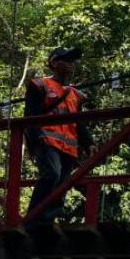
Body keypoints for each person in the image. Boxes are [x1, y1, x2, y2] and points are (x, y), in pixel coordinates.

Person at [23, 47, 92, 224]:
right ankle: (33, 218)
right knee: (51, 175)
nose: (71, 64)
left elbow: (79, 122)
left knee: (63, 184)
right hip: (46, 140)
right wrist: (34, 139)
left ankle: (47, 220)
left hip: (68, 146)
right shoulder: (40, 85)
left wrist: (89, 143)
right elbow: (30, 116)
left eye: (72, 61)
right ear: (54, 63)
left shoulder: (75, 94)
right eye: (66, 59)